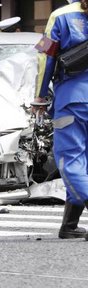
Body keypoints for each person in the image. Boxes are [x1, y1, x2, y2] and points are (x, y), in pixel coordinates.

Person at [34, 0, 88, 239]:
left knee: (71, 161)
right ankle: (70, 225)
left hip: (72, 101)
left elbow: (45, 57)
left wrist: (40, 95)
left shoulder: (60, 15)